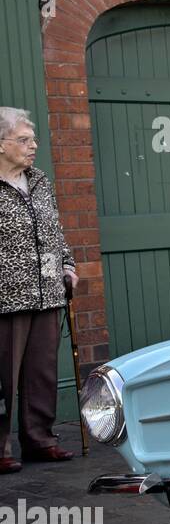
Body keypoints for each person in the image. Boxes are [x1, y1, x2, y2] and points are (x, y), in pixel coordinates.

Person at [0, 107, 78, 473]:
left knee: (42, 371)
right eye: (24, 140)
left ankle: (39, 439)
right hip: (6, 297)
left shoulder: (39, 180)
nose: (34, 147)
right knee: (3, 376)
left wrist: (65, 267)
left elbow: (51, 233)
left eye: (34, 140)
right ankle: (1, 447)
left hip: (46, 291)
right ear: (1, 145)